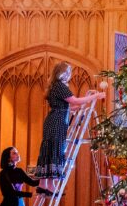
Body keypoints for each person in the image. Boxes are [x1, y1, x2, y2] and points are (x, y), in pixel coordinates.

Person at [35, 62, 106, 191]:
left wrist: (87, 98)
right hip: (57, 121)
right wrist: (95, 96)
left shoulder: (56, 86)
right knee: (55, 149)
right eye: (68, 72)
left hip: (56, 119)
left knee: (50, 150)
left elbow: (71, 106)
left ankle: (43, 184)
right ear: (61, 73)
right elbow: (74, 101)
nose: (69, 75)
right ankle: (50, 185)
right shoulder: (60, 86)